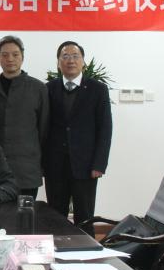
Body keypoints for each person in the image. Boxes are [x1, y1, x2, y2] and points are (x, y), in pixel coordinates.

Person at [43, 40, 113, 236]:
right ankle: (56, 249)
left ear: (83, 61)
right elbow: (42, 127)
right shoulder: (48, 89)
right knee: (55, 216)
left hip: (86, 166)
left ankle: (87, 251)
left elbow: (105, 129)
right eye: (65, 56)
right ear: (58, 62)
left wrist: (99, 164)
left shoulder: (98, 89)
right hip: (55, 165)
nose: (70, 60)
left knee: (85, 216)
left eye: (75, 56)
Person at [0, 35, 50, 200]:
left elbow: (44, 129)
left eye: (15, 54)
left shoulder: (38, 89)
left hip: (27, 168)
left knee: (25, 213)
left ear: (22, 57)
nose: (10, 59)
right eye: (5, 55)